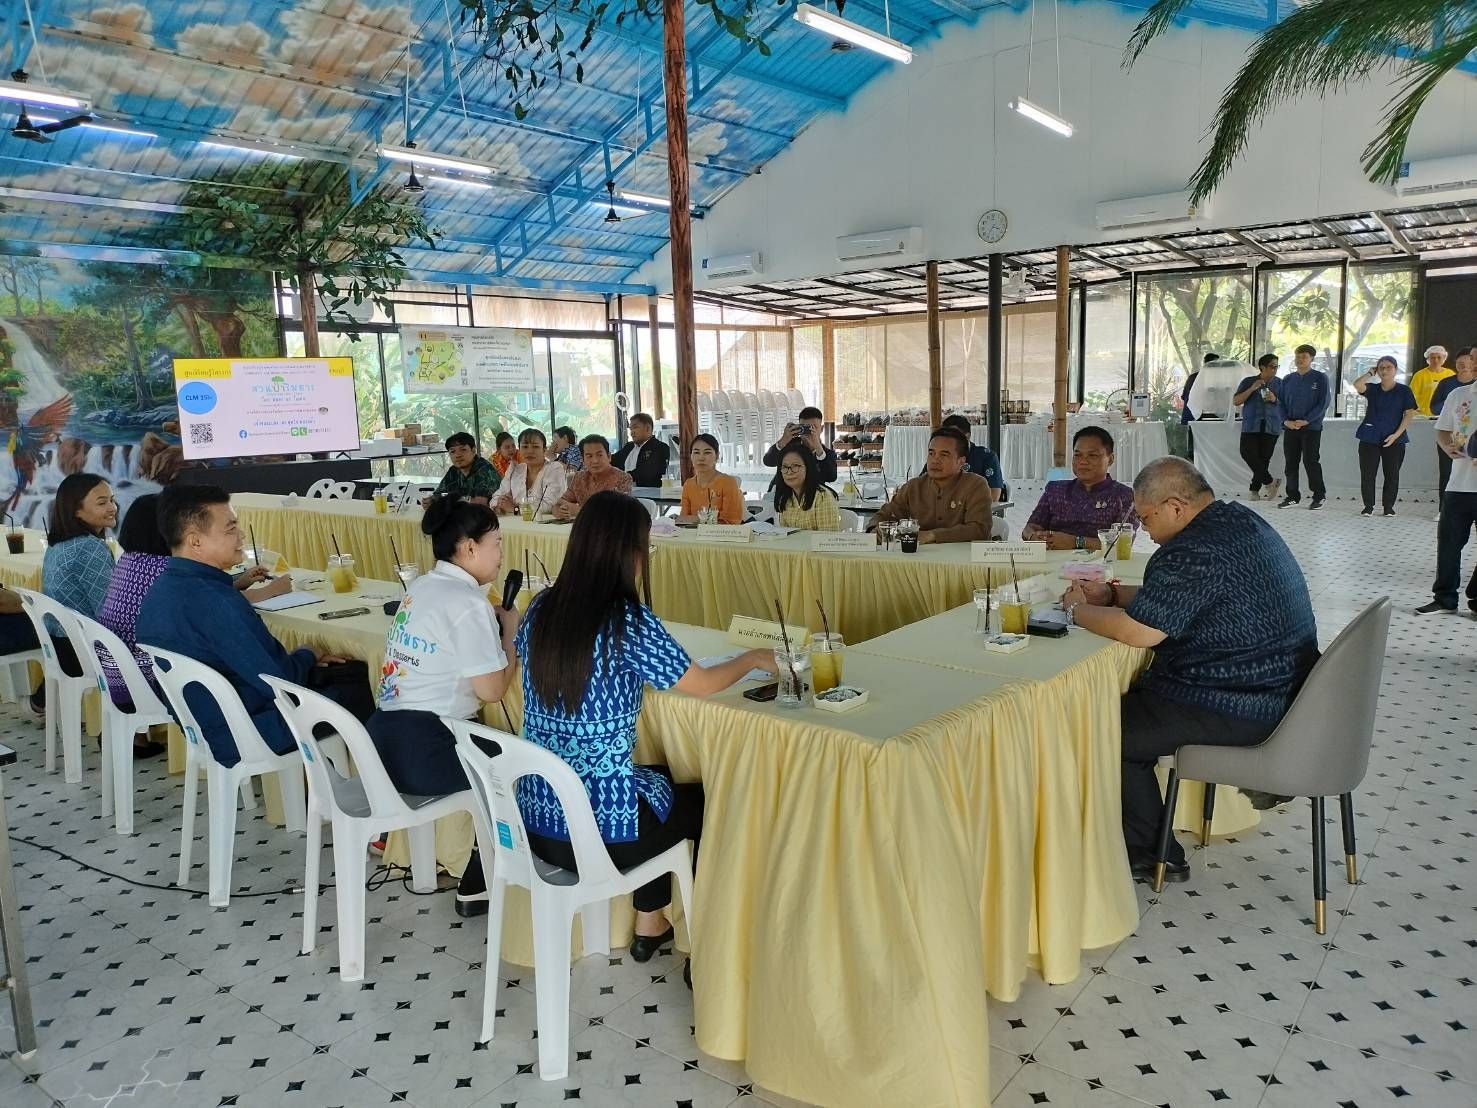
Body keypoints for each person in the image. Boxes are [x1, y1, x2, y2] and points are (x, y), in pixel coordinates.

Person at [516, 491, 775, 977]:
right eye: (643, 546)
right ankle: (711, 956)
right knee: (711, 801)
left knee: (652, 779)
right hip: (600, 833)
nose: (645, 557)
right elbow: (699, 684)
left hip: (539, 820)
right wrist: (753, 659)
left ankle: (650, 922)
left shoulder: (542, 607)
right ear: (626, 554)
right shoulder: (626, 622)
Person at [1061, 457, 1317, 884]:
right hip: (1283, 689)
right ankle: (1146, 841)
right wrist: (1110, 594)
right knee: (1120, 717)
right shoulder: (1238, 522)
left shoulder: (1191, 550)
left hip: (1237, 701)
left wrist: (1075, 610)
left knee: (1100, 729)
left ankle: (1151, 854)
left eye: (1146, 519)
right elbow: (1192, 597)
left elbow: (1139, 634)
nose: (1145, 531)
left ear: (1175, 507)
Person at [136, 486, 374, 768]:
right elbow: (280, 682)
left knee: (333, 674)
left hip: (203, 726)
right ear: (195, 541)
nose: (242, 536)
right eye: (231, 528)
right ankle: (375, 797)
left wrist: (303, 659)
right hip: (249, 729)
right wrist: (308, 653)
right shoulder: (218, 602)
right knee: (364, 685)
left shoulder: (159, 591)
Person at [365, 496, 517, 916]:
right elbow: (492, 691)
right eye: (497, 543)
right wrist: (512, 638)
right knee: (525, 766)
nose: (501, 554)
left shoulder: (422, 587)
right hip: (425, 749)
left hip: (380, 743)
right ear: (469, 547)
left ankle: (468, 862)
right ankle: (485, 875)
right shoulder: (466, 603)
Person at [97, 494, 291, 713]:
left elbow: (193, 599)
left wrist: (237, 582)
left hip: (120, 676)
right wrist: (273, 590)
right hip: (149, 683)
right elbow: (217, 606)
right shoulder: (162, 568)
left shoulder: (131, 560)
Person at [1022, 426, 1138, 550]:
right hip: (1053, 562)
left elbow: (1122, 543)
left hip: (1101, 566)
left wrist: (1077, 542)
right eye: (1078, 455)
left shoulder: (1123, 495)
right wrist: (1033, 537)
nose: (1083, 461)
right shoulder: (1055, 490)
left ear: (1110, 459)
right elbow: (1030, 527)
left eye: (1092, 455)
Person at [1418, 374, 1477, 615]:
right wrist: (1447, 446)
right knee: (1449, 544)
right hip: (1459, 486)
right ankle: (1444, 598)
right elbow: (1442, 430)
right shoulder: (1459, 395)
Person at [872, 427, 994, 543]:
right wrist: (876, 529)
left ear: (961, 461)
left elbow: (979, 529)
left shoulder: (976, 485)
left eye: (944, 455)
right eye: (931, 453)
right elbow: (885, 515)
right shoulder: (914, 486)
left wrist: (933, 535)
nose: (935, 460)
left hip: (963, 561)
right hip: (920, 560)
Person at [42, 473, 118, 622]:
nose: (113, 508)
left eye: (112, 500)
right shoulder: (89, 547)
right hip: (81, 642)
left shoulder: (56, 544)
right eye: (102, 503)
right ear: (76, 510)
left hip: (57, 638)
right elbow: (111, 613)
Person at [1353, 356, 1417, 517]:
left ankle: (1388, 506)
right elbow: (1358, 385)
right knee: (1367, 474)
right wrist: (1369, 373)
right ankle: (1368, 506)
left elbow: (1409, 414)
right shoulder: (1373, 389)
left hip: (1395, 439)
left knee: (1392, 474)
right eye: (1381, 367)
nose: (1384, 370)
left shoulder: (1404, 391)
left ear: (1395, 370)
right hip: (1370, 437)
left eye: (1388, 367)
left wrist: (1396, 435)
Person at [1276, 343, 1330, 510]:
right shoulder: (1288, 379)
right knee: (1291, 462)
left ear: (1311, 359)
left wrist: (1307, 420)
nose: (1300, 360)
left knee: (1310, 461)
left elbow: (1324, 403)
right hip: (1291, 427)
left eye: (1304, 357)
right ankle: (1292, 496)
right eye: (1298, 356)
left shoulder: (1320, 378)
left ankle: (1319, 496)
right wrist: (1285, 421)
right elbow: (1280, 403)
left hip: (1311, 427)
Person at [914, 414, 1005, 502]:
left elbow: (994, 495)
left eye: (955, 437)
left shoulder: (987, 457)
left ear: (968, 436)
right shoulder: (937, 457)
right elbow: (920, 488)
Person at [1430, 348, 1475, 518]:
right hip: (1454, 440)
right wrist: (1451, 410)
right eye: (1461, 363)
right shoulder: (1449, 386)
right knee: (1447, 472)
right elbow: (1434, 406)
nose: (1465, 366)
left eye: (1469, 362)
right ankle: (1443, 509)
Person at [1232, 354, 1283, 501]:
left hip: (1272, 425)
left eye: (1276, 367)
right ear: (1262, 367)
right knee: (1247, 453)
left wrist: (1275, 399)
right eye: (1272, 366)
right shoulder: (1248, 381)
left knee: (1263, 459)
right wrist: (1252, 389)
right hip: (1251, 424)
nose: (1275, 370)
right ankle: (1270, 482)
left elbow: (1287, 405)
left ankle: (1254, 490)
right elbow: (1236, 401)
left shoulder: (1280, 384)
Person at [553, 435, 634, 519]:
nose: (595, 461)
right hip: (584, 528)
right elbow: (560, 502)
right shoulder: (579, 478)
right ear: (583, 460)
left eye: (599, 455)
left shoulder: (623, 478)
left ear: (609, 457)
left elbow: (622, 512)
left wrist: (580, 510)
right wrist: (558, 511)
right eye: (589, 456)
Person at [494, 428, 568, 517]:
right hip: (513, 527)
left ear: (544, 450)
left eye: (535, 446)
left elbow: (548, 505)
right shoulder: (515, 469)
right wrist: (500, 503)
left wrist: (514, 509)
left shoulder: (554, 469)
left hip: (543, 528)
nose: (530, 451)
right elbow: (496, 497)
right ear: (519, 450)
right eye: (525, 447)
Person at [773, 440, 841, 531]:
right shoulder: (785, 498)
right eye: (785, 467)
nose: (789, 472)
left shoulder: (823, 498)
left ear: (808, 467)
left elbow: (826, 541)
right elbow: (785, 536)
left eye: (795, 466)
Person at [677, 434, 744, 524]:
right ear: (691, 456)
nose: (701, 458)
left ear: (717, 456)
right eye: (696, 452)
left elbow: (732, 521)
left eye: (707, 452)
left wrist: (697, 519)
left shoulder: (728, 483)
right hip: (692, 536)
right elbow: (683, 520)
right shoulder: (688, 485)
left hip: (722, 536)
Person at [761, 405, 838, 483]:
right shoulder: (790, 445)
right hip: (785, 492)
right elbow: (768, 461)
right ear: (799, 427)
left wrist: (818, 448)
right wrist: (783, 441)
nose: (809, 431)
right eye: (805, 427)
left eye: (813, 427)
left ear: (821, 429)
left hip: (813, 493)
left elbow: (831, 477)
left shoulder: (826, 454)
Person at [428, 432, 499, 506]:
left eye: (463, 449)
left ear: (473, 451)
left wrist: (451, 500)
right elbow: (438, 494)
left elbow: (480, 503)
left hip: (493, 516)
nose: (457, 455)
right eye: (452, 451)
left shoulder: (484, 469)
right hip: (462, 515)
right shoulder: (453, 471)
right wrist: (431, 500)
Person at [610, 413, 672, 488]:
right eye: (630, 429)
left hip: (650, 496)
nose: (632, 432)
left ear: (647, 428)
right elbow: (612, 461)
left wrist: (622, 478)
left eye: (635, 427)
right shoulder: (629, 447)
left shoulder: (660, 448)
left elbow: (648, 472)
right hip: (624, 495)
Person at [1180, 353, 1218, 462]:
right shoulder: (1210, 379)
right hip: (1202, 417)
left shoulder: (1192, 377)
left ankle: (1192, 468)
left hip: (1190, 416)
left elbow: (1183, 397)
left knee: (1193, 448)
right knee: (1202, 450)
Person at [1410, 345, 1452, 417]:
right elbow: (1411, 395)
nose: (1436, 360)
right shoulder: (1419, 375)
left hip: (1444, 416)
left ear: (1444, 358)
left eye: (1439, 357)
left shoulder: (1450, 374)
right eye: (1432, 358)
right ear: (1428, 359)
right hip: (1423, 416)